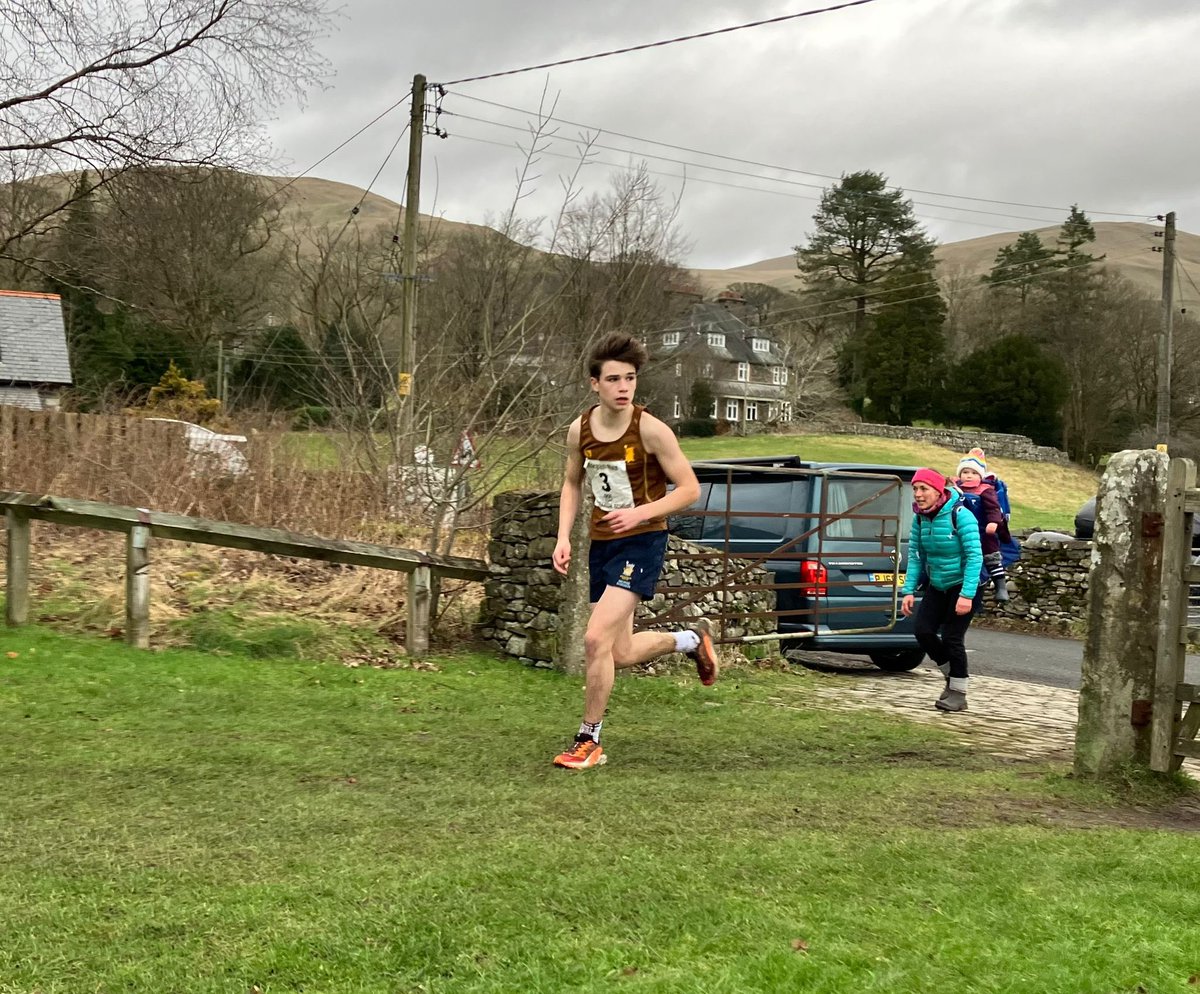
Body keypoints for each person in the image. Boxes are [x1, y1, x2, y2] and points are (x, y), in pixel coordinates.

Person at [550, 332, 719, 770]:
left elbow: (689, 490)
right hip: (603, 543)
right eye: (613, 379)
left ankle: (589, 740)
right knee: (618, 652)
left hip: (642, 541)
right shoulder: (580, 430)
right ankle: (690, 640)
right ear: (594, 384)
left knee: (593, 638)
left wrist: (642, 514)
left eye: (630, 378)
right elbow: (572, 482)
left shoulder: (650, 429)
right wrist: (564, 536)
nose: (623, 387)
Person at [900, 467, 983, 712]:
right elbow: (916, 557)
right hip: (938, 584)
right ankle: (952, 676)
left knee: (952, 638)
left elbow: (974, 557)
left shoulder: (962, 515)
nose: (917, 494)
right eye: (915, 489)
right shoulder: (920, 518)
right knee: (923, 631)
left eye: (923, 488)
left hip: (964, 584)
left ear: (938, 491)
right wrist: (907, 591)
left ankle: (958, 693)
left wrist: (966, 595)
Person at [954, 448, 1010, 602]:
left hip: (983, 530)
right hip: (960, 530)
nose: (969, 476)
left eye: (973, 473)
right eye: (965, 472)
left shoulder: (986, 490)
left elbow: (993, 508)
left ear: (981, 475)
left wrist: (993, 522)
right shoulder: (955, 489)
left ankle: (1001, 586)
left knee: (991, 555)